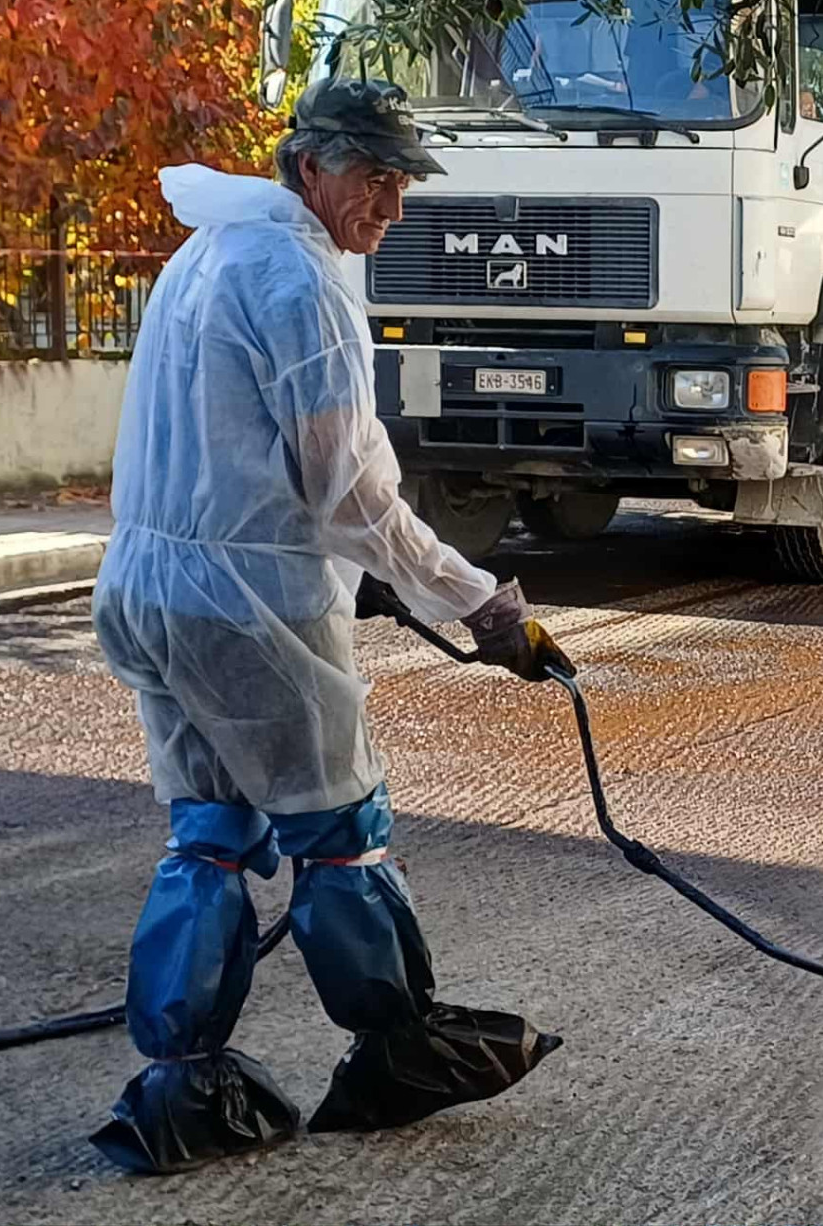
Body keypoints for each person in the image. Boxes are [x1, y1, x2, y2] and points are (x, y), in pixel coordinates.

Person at [89, 80, 575, 1174]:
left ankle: (181, 1085)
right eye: (377, 178)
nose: (393, 206)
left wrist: (368, 574)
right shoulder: (299, 279)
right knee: (339, 831)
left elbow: (231, 447)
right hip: (249, 608)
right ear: (309, 167)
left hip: (148, 586)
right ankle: (398, 1048)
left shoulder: (204, 253)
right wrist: (475, 600)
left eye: (403, 181)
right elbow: (346, 490)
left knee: (208, 834)